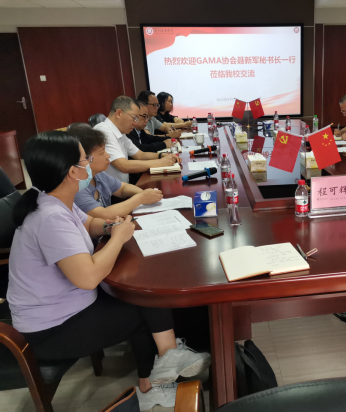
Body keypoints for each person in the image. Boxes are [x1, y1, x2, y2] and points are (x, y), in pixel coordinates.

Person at [7, 132, 211, 410]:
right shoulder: (50, 217)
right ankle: (156, 378)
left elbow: (89, 223)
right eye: (85, 159)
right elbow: (88, 277)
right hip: (50, 329)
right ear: (72, 171)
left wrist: (108, 227)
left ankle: (166, 359)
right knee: (146, 305)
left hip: (68, 306)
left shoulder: (53, 199)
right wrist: (118, 238)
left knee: (145, 292)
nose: (89, 164)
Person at [72, 126, 164, 220]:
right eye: (102, 152)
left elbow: (122, 188)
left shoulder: (98, 175)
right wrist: (140, 198)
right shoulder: (76, 187)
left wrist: (145, 194)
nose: (108, 155)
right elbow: (103, 214)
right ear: (85, 158)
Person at [93, 96, 181, 185]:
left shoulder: (120, 132)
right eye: (134, 118)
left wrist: (161, 155)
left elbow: (140, 155)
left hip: (122, 186)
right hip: (111, 191)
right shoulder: (103, 131)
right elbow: (124, 165)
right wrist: (161, 162)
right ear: (119, 113)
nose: (135, 123)